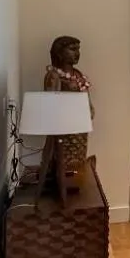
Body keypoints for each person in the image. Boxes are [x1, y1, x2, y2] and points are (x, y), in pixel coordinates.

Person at [43, 36, 92, 186]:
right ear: (59, 52)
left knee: (78, 158)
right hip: (64, 128)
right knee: (63, 158)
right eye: (72, 49)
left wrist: (90, 108)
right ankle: (61, 183)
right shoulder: (54, 75)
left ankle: (74, 183)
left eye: (78, 49)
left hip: (80, 126)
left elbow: (85, 96)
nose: (77, 53)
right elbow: (51, 104)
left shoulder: (77, 74)